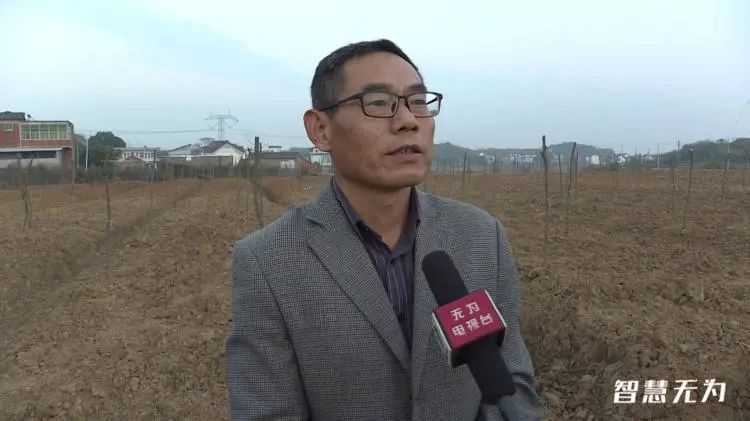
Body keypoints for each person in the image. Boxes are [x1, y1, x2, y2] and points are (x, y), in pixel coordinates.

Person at [225, 39, 543, 421]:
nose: (408, 120)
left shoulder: (482, 237)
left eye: (418, 102)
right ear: (320, 129)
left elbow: (511, 382)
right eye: (378, 103)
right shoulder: (268, 261)